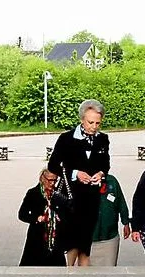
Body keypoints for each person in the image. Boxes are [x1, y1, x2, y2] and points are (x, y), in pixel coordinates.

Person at [48, 99, 110, 266]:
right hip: (71, 199)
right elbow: (52, 165)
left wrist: (100, 174)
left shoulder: (103, 139)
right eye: (91, 122)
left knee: (85, 243)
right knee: (71, 241)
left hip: (92, 199)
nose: (94, 126)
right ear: (82, 119)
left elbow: (106, 164)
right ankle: (66, 273)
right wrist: (75, 174)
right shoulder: (66, 139)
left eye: (98, 123)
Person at [18, 168, 66, 266]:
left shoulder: (58, 195)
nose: (52, 183)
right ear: (42, 179)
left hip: (55, 238)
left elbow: (66, 213)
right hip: (36, 237)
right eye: (50, 180)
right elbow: (22, 214)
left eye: (55, 180)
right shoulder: (33, 193)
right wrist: (37, 218)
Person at [91, 174, 131, 266]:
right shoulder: (81, 180)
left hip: (109, 237)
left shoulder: (111, 181)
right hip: (88, 239)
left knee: (109, 271)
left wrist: (126, 223)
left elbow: (121, 203)